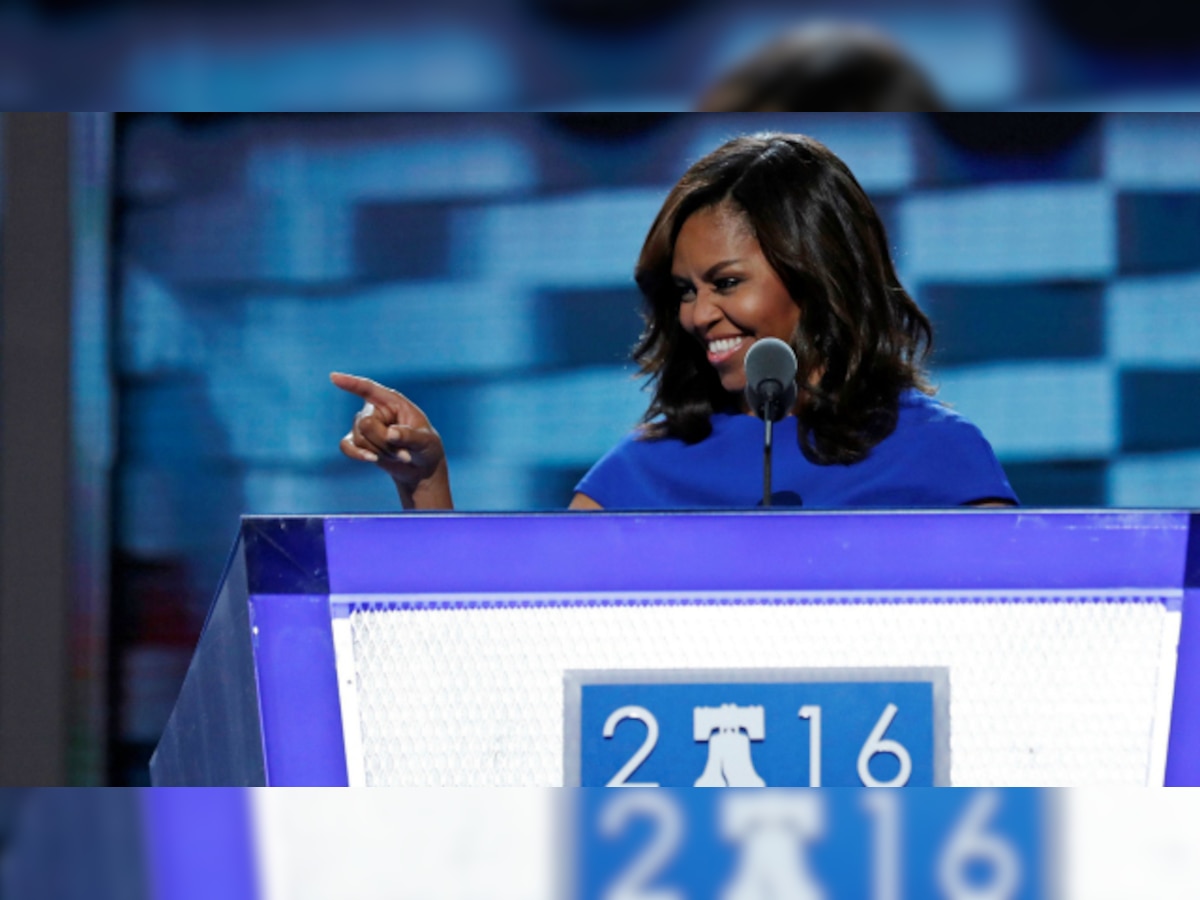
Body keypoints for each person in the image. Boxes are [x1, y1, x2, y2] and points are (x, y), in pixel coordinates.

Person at [333, 133, 1016, 510]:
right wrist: (425, 482)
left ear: (820, 275)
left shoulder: (942, 459)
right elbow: (509, 647)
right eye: (684, 290)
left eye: (726, 283)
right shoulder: (644, 474)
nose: (697, 314)